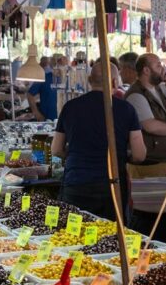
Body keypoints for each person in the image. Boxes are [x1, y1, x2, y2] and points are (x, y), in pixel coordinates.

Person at [52, 60, 146, 221]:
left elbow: (56, 150)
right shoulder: (126, 109)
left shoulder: (70, 107)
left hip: (76, 182)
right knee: (109, 239)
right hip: (111, 185)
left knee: (73, 236)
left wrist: (77, 154)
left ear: (89, 80)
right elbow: (139, 155)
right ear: (115, 82)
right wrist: (123, 155)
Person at [27, 56, 57, 122]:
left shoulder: (68, 80)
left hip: (65, 119)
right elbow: (30, 95)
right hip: (47, 120)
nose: (57, 65)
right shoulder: (44, 77)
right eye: (55, 62)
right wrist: (36, 113)